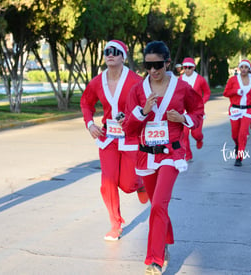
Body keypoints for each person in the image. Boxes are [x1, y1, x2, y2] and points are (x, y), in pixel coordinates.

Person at [122, 41, 204, 275]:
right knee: (156, 205)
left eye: (158, 65)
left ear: (168, 62)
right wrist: (143, 111)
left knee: (159, 204)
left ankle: (154, 260)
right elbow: (128, 127)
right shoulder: (137, 91)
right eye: (148, 66)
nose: (153, 71)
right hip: (146, 156)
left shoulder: (181, 88)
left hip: (171, 154)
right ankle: (164, 242)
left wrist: (184, 119)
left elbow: (198, 110)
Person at [80, 39, 148, 241]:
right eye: (107, 51)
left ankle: (141, 183)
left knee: (127, 185)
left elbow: (146, 107)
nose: (110, 54)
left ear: (123, 57)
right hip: (108, 138)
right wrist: (90, 124)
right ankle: (115, 224)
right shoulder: (97, 81)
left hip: (131, 138)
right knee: (107, 181)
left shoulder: (136, 81)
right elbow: (86, 103)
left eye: (115, 51)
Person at [223, 59, 251, 166]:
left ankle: (239, 157)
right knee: (234, 135)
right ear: (239, 68)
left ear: (249, 69)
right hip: (235, 109)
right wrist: (236, 91)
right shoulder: (233, 80)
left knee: (243, 134)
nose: (244, 69)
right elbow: (225, 93)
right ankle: (237, 145)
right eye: (242, 67)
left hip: (248, 109)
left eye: (246, 67)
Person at [180, 57, 211, 161]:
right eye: (185, 67)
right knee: (184, 135)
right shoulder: (180, 79)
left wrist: (201, 103)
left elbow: (207, 93)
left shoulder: (200, 79)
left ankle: (199, 139)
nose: (187, 70)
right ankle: (187, 155)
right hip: (184, 112)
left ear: (194, 68)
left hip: (196, 112)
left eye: (190, 67)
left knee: (195, 133)